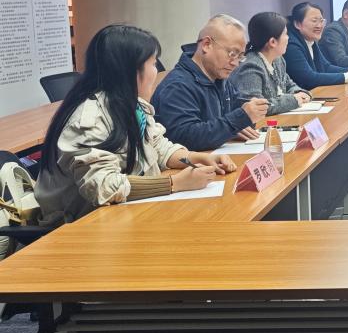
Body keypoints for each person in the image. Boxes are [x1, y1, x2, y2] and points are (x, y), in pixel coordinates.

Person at [35, 24, 237, 224]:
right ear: (129, 70)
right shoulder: (89, 119)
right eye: (152, 64)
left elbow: (158, 147)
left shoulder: (132, 105)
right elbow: (102, 186)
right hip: (79, 227)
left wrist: (199, 158)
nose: (156, 71)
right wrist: (174, 183)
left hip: (120, 216)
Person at [153, 14, 269, 151]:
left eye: (240, 56)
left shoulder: (220, 78)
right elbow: (185, 139)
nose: (236, 63)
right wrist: (238, 120)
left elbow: (236, 117)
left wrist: (243, 119)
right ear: (206, 45)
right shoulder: (177, 86)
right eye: (232, 53)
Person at [230, 12, 313, 115]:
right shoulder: (250, 67)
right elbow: (257, 108)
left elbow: (289, 85)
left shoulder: (278, 60)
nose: (288, 38)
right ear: (272, 42)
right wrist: (293, 100)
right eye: (285, 34)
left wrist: (300, 93)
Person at [283, 2, 348, 89]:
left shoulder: (310, 39)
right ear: (298, 24)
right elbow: (309, 79)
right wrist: (347, 77)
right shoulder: (291, 45)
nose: (319, 26)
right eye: (314, 21)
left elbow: (325, 67)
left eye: (321, 21)